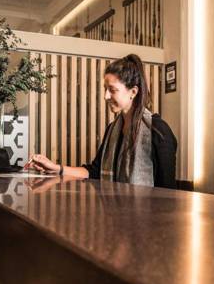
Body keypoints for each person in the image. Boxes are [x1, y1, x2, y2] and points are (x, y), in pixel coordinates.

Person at [25, 54, 176, 188]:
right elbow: (94, 172)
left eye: (112, 90)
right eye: (105, 89)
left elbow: (168, 191)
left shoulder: (158, 131)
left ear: (133, 92)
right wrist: (55, 167)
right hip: (113, 210)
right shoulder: (112, 129)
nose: (106, 96)